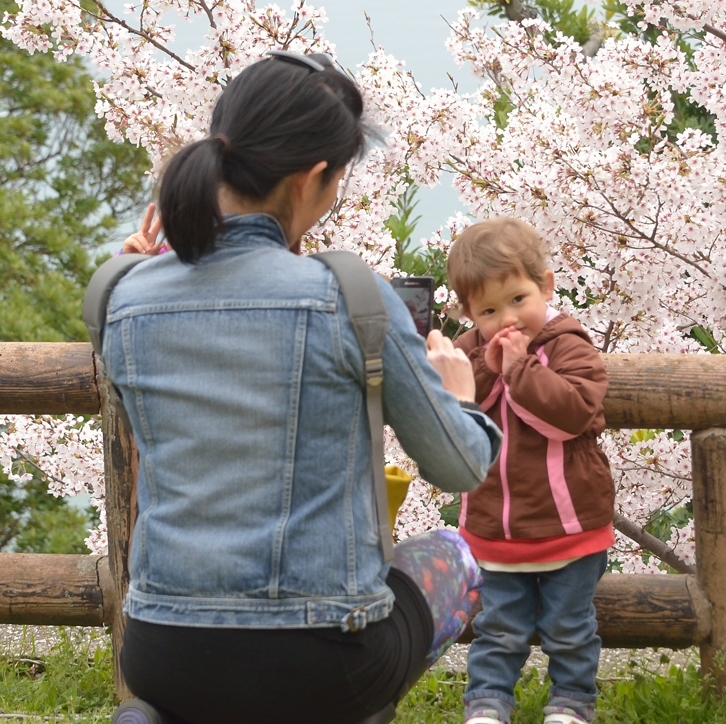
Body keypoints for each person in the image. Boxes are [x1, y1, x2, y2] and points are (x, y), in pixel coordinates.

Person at [102, 51, 501, 724]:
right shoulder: (348, 296)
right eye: (338, 179)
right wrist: (460, 398)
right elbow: (457, 466)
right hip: (321, 656)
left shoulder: (120, 299)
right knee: (457, 555)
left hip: (161, 651)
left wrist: (135, 278)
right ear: (312, 177)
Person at [447, 218, 617, 724]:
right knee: (498, 626)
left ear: (545, 285)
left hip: (570, 525)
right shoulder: (467, 355)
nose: (507, 320)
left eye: (519, 299)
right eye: (489, 311)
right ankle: (487, 703)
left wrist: (519, 369)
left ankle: (570, 702)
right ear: (469, 313)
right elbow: (451, 411)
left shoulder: (570, 347)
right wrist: (484, 365)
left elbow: (571, 417)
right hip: (494, 526)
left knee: (570, 626)